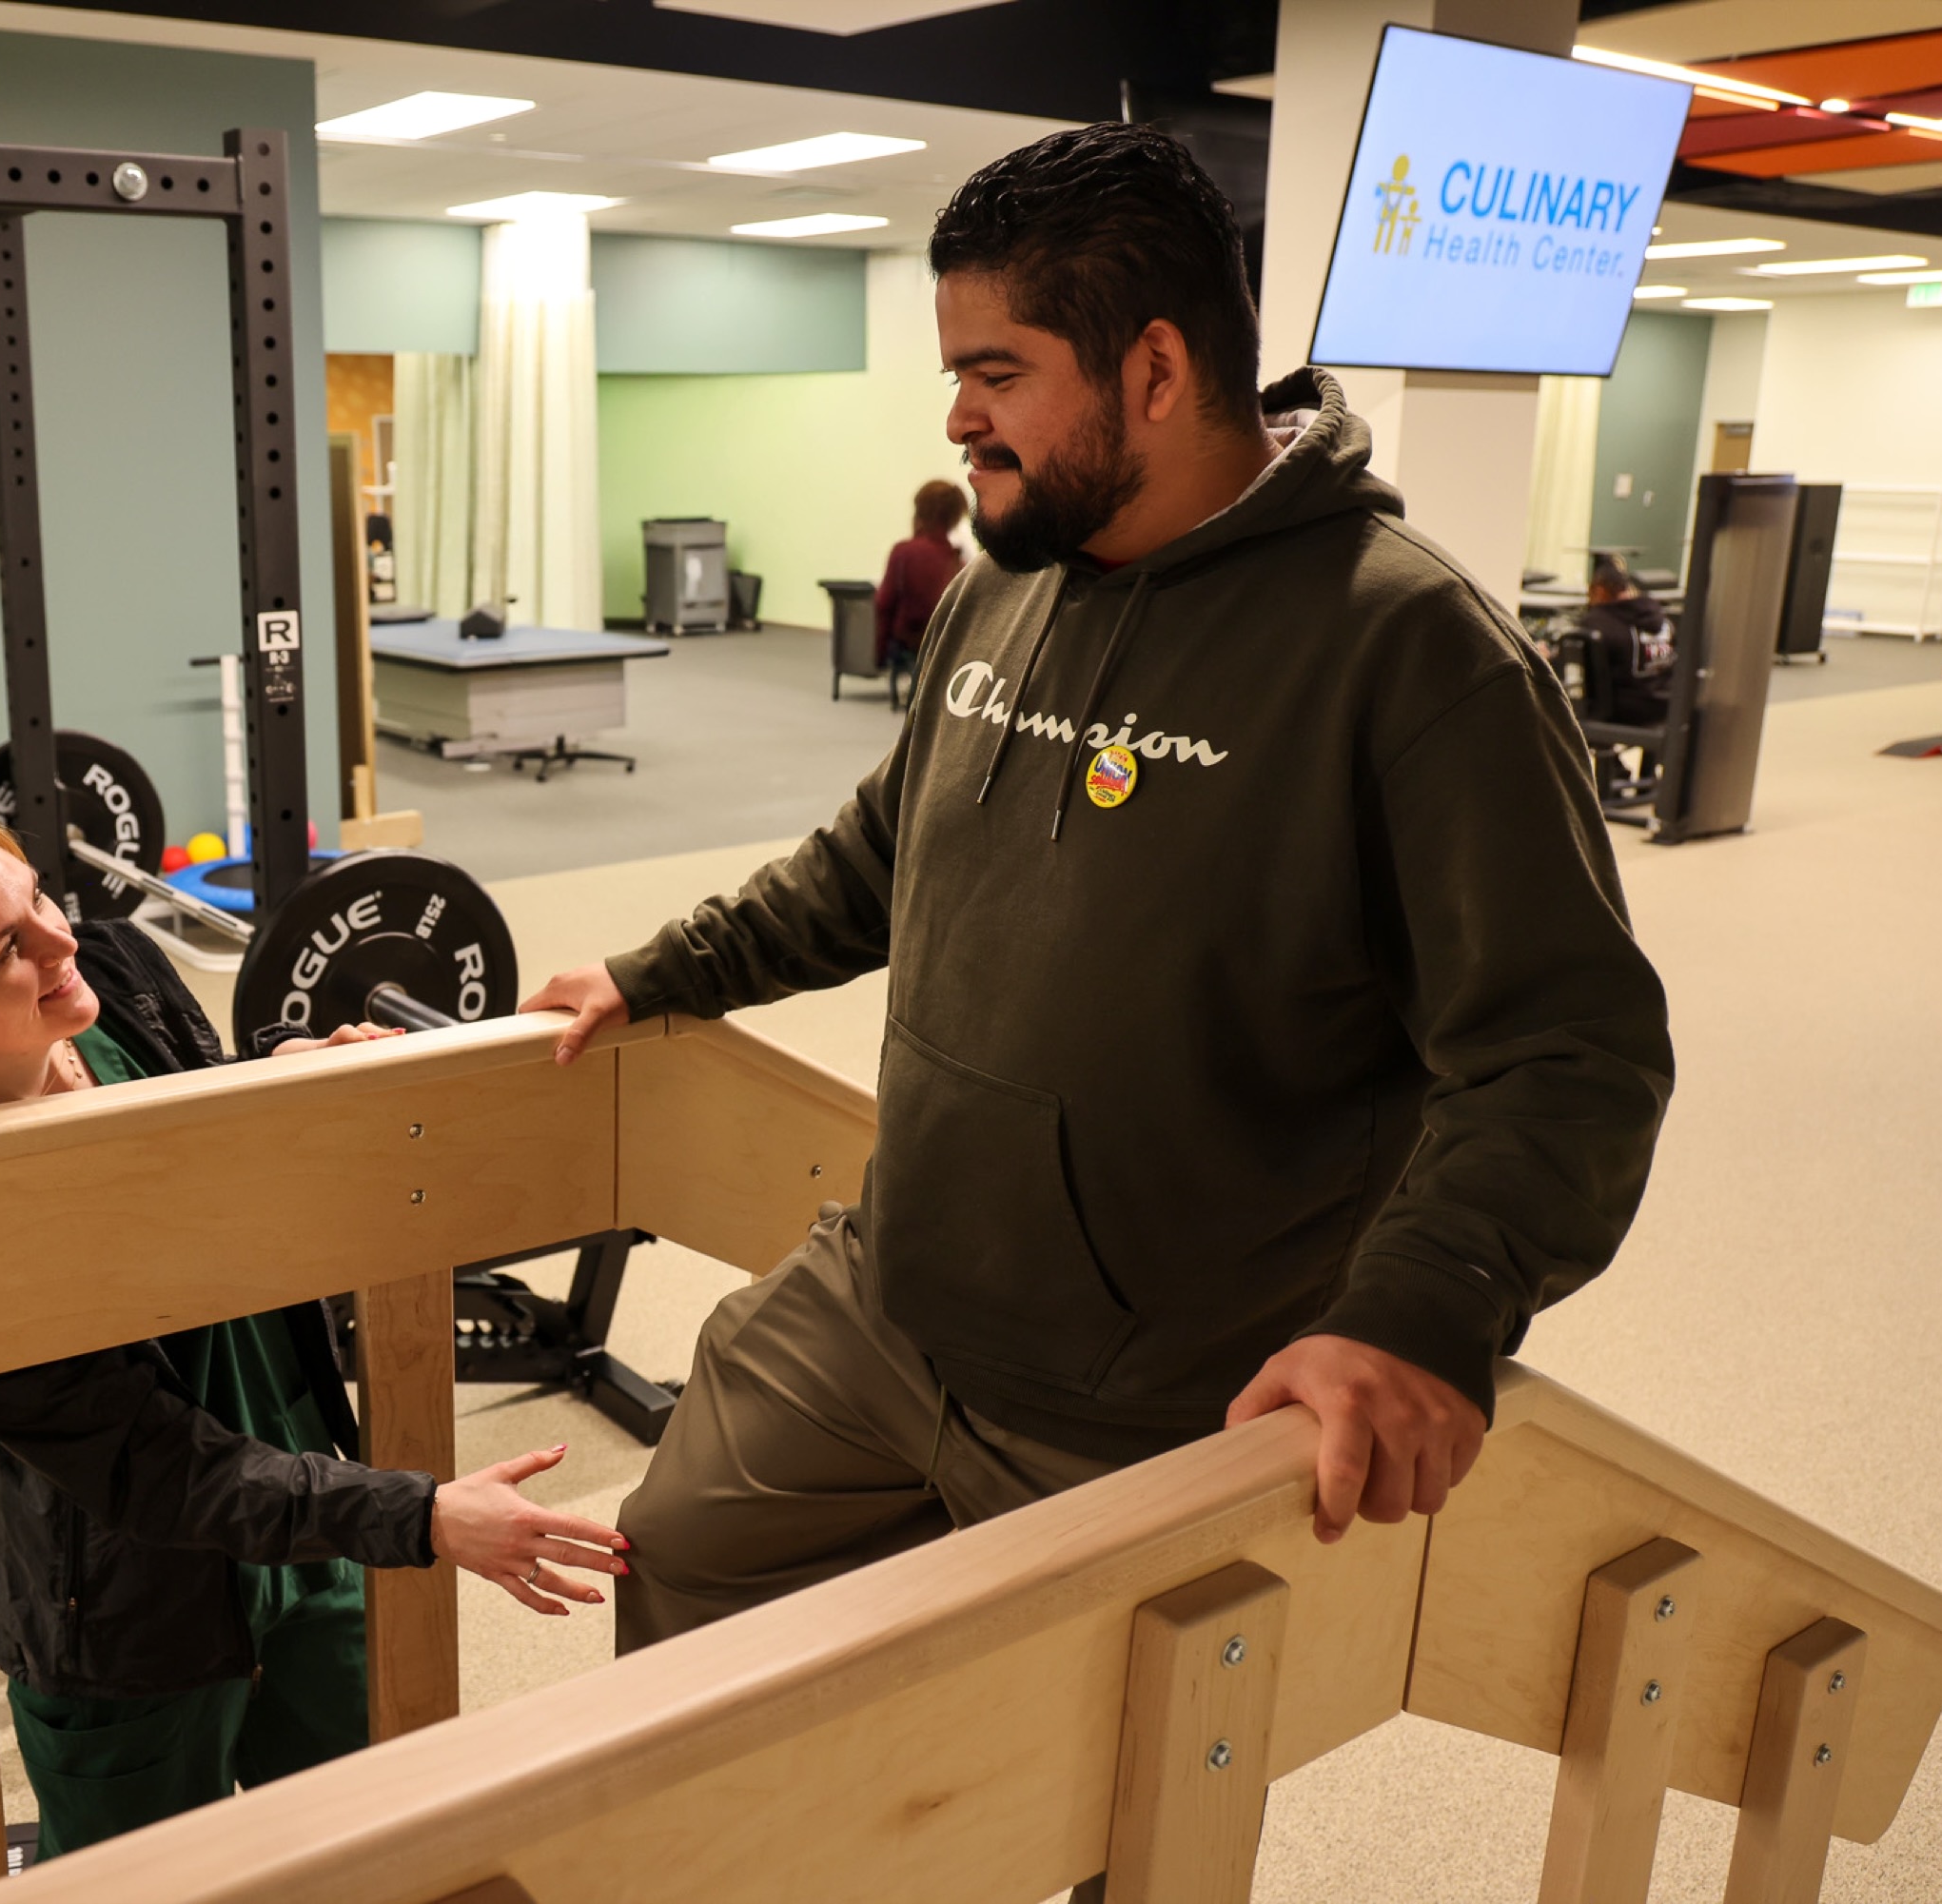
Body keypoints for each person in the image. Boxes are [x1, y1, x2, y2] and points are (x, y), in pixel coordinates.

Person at [521, 124, 1675, 1657]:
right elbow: (880, 854)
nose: (958, 417)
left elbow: (1569, 1057)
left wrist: (1423, 1310)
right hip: (894, 1296)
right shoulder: (1006, 580)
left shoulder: (1415, 651)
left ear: (1155, 369)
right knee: (677, 1555)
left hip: (1153, 1394)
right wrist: (660, 969)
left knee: (1079, 1758)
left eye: (996, 374)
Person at [0, 811, 627, 1855]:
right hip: (130, 1626)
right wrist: (424, 1514)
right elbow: (159, 1468)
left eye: (39, 898)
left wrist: (282, 1069)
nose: (59, 938)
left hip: (309, 1537)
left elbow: (201, 1088)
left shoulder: (113, 977)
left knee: (367, 1850)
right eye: (7, 950)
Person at [873, 479, 971, 675]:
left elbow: (884, 605)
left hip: (909, 644)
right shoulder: (958, 562)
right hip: (945, 645)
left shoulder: (903, 552)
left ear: (920, 512)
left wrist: (878, 655)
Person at [1580, 553, 1674, 724]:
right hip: (1666, 711)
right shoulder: (1663, 619)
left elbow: (1578, 666)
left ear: (1599, 591)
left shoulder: (1597, 622)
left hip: (1622, 715)